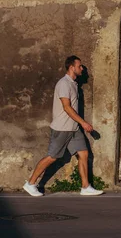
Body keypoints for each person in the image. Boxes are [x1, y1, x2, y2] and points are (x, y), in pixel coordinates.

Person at [23, 56, 103, 196]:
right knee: (52, 157)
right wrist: (83, 123)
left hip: (74, 128)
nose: (82, 68)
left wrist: (79, 124)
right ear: (72, 67)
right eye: (79, 66)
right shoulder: (64, 84)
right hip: (62, 128)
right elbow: (67, 107)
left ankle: (85, 187)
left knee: (83, 153)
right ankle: (30, 184)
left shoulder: (73, 84)